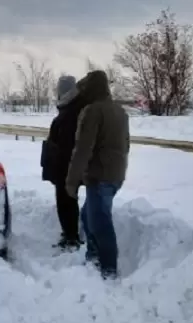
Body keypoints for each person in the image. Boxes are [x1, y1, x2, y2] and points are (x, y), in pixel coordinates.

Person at [65, 70, 130, 280]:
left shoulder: (93, 111)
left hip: (100, 175)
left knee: (100, 223)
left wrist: (72, 181)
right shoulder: (120, 111)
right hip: (116, 175)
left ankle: (109, 270)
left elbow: (82, 149)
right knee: (89, 215)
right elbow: (126, 144)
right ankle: (93, 257)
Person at [41, 75, 87, 251]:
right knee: (68, 200)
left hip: (66, 167)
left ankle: (71, 237)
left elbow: (67, 146)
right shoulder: (72, 107)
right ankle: (70, 234)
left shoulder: (71, 111)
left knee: (66, 200)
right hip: (66, 166)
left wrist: (58, 165)